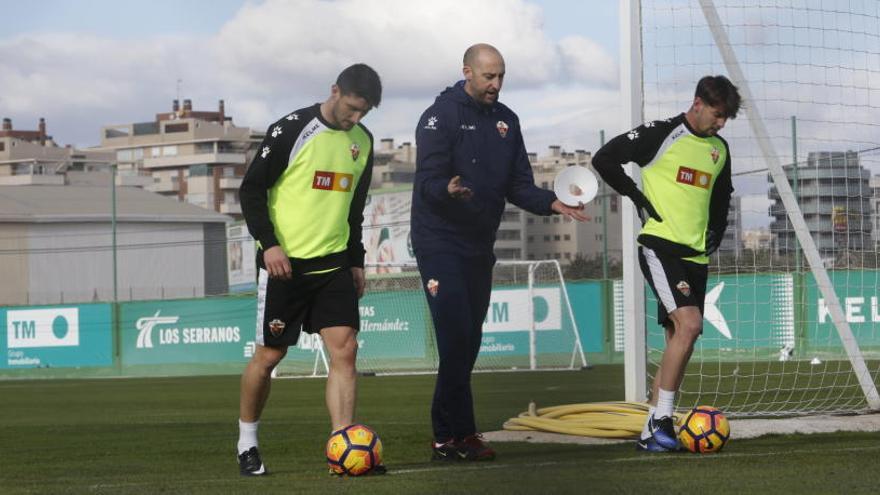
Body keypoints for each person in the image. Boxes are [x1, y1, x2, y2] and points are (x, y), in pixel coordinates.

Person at [411, 43, 588, 462]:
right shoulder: (439, 117)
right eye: (489, 76)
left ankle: (458, 435)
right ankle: (452, 436)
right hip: (439, 242)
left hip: (478, 245)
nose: (496, 84)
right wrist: (448, 190)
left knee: (469, 342)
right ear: (467, 72)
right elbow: (427, 183)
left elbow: (519, 185)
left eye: (501, 76)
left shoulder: (508, 121)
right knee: (455, 338)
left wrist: (552, 202)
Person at [236, 63, 382, 476]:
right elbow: (251, 190)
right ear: (335, 91)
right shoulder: (290, 129)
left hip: (334, 264)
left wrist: (356, 261)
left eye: (363, 113)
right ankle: (247, 442)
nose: (355, 119)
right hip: (284, 266)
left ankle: (344, 447)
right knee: (269, 355)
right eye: (352, 108)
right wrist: (270, 245)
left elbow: (355, 207)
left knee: (345, 350)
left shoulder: (363, 142)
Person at [592, 75, 741, 452]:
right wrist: (635, 196)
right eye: (718, 114)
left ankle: (651, 429)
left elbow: (722, 197)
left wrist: (717, 233)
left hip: (695, 255)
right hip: (659, 246)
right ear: (698, 103)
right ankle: (662, 420)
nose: (721, 123)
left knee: (681, 338)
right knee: (689, 325)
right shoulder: (661, 134)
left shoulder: (719, 150)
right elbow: (604, 158)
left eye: (726, 118)